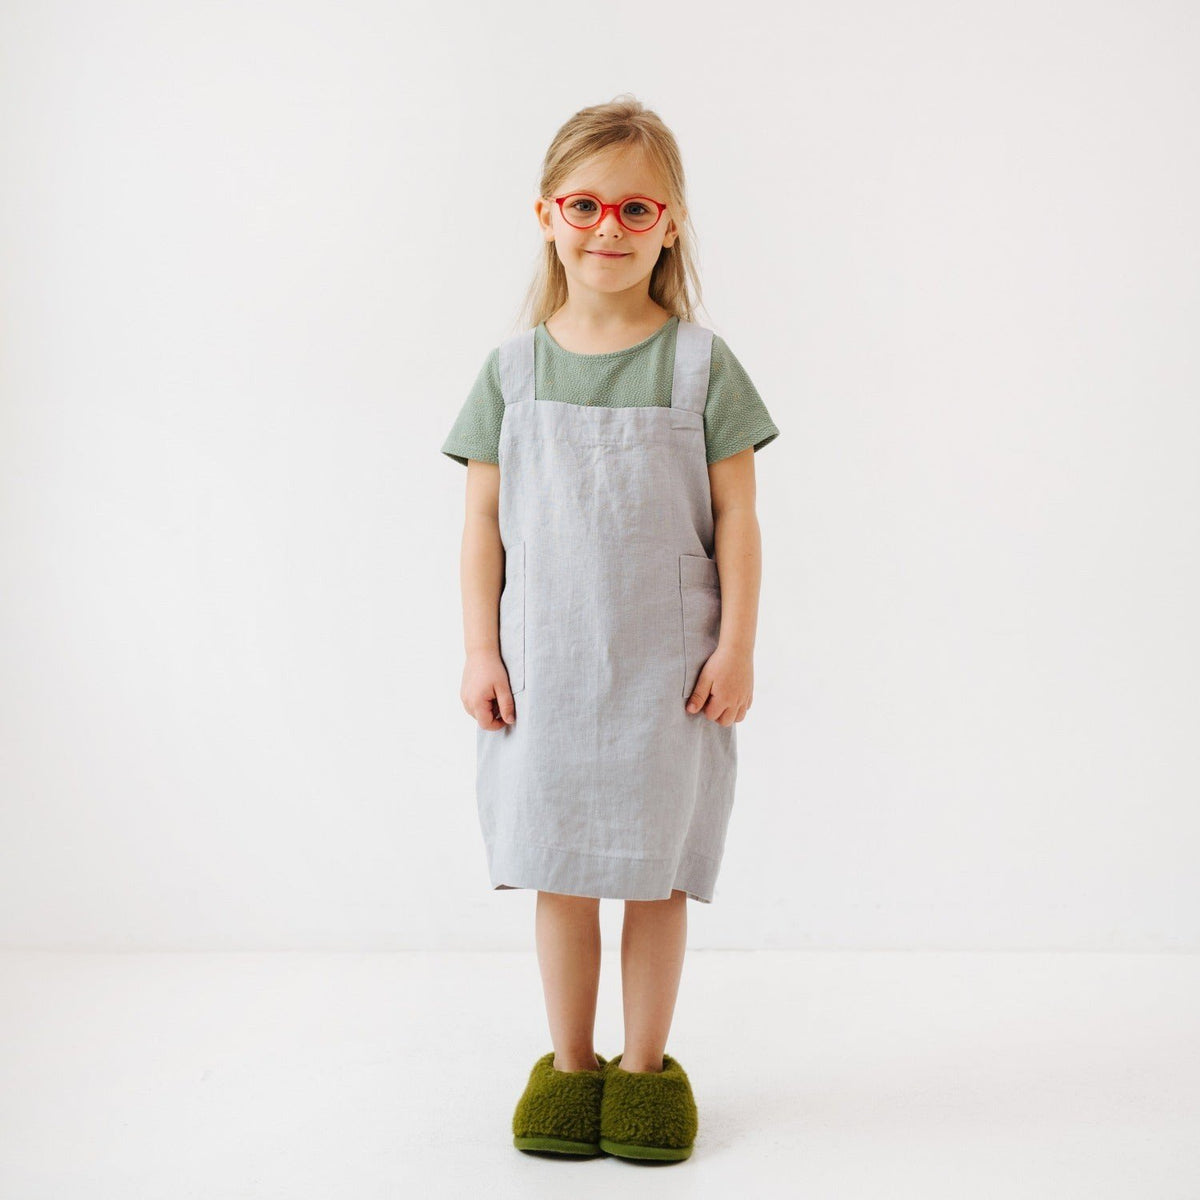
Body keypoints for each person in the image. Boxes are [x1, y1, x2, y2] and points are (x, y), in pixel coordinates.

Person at [441, 95, 780, 1162]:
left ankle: (643, 1074)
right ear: (547, 213)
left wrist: (736, 648)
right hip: (547, 673)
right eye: (586, 205)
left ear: (672, 223)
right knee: (562, 869)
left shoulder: (701, 366)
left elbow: (738, 519)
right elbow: (483, 526)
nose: (609, 230)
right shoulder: (511, 372)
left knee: (655, 871)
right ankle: (571, 1066)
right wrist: (482, 649)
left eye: (638, 210)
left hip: (667, 675)